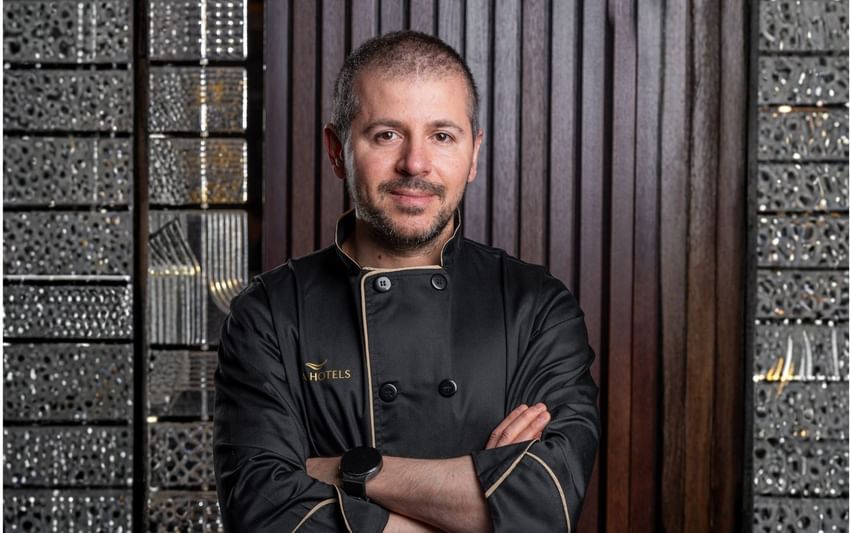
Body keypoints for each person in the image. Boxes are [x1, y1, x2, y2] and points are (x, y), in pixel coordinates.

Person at [214, 30, 599, 532]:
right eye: (386, 134)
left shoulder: (536, 308)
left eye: (442, 136)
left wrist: (345, 471)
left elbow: (547, 502)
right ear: (337, 150)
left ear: (474, 154)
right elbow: (263, 513)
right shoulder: (268, 314)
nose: (415, 164)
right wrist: (478, 505)